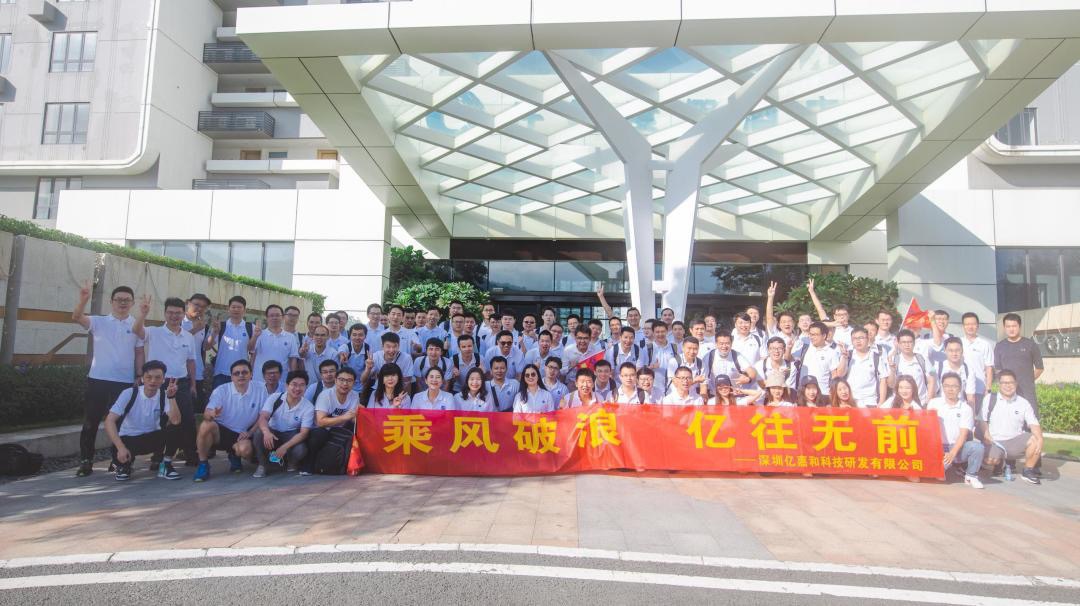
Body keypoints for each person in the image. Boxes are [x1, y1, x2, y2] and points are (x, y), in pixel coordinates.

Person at [73, 283, 144, 477]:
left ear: (132, 303)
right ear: (111, 302)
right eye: (118, 299)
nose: (122, 303)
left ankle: (119, 460)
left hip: (124, 383)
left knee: (121, 424)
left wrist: (139, 375)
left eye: (127, 300)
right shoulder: (99, 322)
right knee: (91, 422)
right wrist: (83, 299)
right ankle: (86, 461)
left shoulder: (136, 325)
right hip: (98, 380)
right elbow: (77, 317)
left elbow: (139, 352)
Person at [132, 296, 198, 470]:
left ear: (183, 314)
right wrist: (143, 314)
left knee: (188, 420)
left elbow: (191, 362)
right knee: (160, 421)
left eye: (178, 313)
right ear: (165, 313)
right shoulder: (154, 332)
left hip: (181, 383)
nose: (174, 316)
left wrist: (193, 384)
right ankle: (158, 456)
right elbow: (137, 330)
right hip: (159, 384)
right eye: (170, 312)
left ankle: (191, 454)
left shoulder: (188, 337)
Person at [103, 361, 182, 481]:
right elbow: (109, 421)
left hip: (154, 437)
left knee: (175, 429)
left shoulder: (165, 395)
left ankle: (165, 465)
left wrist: (172, 397)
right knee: (120, 460)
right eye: (149, 377)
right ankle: (124, 466)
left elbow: (176, 421)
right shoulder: (129, 393)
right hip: (129, 438)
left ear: (163, 380)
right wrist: (120, 447)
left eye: (157, 377)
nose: (153, 381)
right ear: (142, 379)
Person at [193, 359, 261, 482]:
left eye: (244, 372)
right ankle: (203, 464)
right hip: (223, 432)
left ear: (251, 374)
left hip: (244, 434)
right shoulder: (221, 390)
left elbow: (263, 416)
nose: (241, 375)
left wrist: (250, 432)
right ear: (231, 377)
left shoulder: (261, 389)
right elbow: (207, 413)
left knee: (245, 450)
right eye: (236, 373)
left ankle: (234, 455)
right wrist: (211, 414)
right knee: (206, 425)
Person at [980, 370, 1043, 485]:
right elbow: (982, 420)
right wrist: (986, 433)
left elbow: (1034, 424)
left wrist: (1040, 439)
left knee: (1035, 439)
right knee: (991, 460)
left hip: (1015, 441)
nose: (1008, 386)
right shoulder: (989, 399)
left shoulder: (1023, 403)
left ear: (1016, 384)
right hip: (995, 441)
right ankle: (1000, 463)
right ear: (999, 384)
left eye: (1011, 383)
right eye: (1004, 383)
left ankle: (1028, 471)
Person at [927, 372, 985, 489]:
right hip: (937, 447)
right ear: (942, 387)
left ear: (960, 388)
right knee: (937, 476)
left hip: (957, 447)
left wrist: (952, 453)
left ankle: (971, 476)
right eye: (947, 386)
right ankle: (942, 468)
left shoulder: (966, 408)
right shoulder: (934, 403)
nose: (950, 389)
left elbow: (963, 435)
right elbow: (928, 428)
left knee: (977, 447)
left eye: (954, 386)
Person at [252, 370, 314, 478]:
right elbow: (263, 417)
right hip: (273, 433)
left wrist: (284, 447)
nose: (297, 388)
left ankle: (291, 461)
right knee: (259, 433)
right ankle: (262, 465)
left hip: (291, 435)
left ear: (306, 387)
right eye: (294, 384)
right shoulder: (275, 398)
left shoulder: (308, 407)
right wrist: (266, 432)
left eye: (302, 385)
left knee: (301, 450)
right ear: (286, 385)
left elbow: (303, 433)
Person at [305, 367, 360, 475]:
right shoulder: (325, 395)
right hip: (322, 430)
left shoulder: (354, 395)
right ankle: (309, 464)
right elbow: (320, 421)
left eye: (349, 380)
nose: (345, 384)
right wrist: (344, 417)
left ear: (354, 383)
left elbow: (353, 418)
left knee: (359, 430)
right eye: (341, 380)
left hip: (341, 430)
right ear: (335, 380)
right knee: (319, 434)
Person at [994, 313, 1044, 413]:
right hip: (1007, 391)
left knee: (1030, 418)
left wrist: (1028, 380)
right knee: (1009, 418)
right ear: (1004, 327)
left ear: (1019, 326)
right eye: (1008, 326)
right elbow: (998, 369)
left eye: (1014, 326)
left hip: (1027, 391)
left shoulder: (1030, 345)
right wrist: (1006, 384)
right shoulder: (999, 346)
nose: (1011, 329)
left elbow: (1039, 368)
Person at [209, 295, 252, 389]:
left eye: (239, 307)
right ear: (228, 309)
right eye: (233, 307)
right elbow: (207, 346)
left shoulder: (250, 328)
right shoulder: (220, 326)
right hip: (221, 373)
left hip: (242, 375)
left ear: (244, 310)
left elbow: (253, 351)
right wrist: (215, 332)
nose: (236, 309)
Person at [796, 321, 845, 397]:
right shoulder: (806, 347)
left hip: (822, 394)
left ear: (824, 336)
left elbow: (834, 376)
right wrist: (833, 324)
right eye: (811, 334)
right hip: (803, 394)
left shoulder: (832, 353)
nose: (812, 337)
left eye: (815, 335)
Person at [181, 293, 212, 415]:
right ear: (188, 303)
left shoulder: (204, 326)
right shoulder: (178, 321)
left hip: (198, 373)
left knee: (195, 409)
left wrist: (214, 332)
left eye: (203, 307)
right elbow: (175, 341)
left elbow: (204, 348)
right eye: (197, 305)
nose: (199, 309)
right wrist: (195, 330)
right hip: (180, 372)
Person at [249, 304, 300, 376]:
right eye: (271, 315)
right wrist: (255, 336)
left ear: (282, 317)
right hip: (260, 378)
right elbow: (251, 351)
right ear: (267, 318)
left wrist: (292, 377)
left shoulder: (291, 337)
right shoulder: (259, 334)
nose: (274, 318)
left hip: (282, 379)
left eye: (277, 315)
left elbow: (293, 360)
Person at [844, 327, 888, 407]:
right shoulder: (848, 355)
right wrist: (844, 358)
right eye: (855, 338)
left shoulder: (876, 357)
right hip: (850, 400)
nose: (858, 341)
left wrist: (881, 401)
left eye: (861, 338)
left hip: (870, 401)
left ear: (868, 339)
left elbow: (883, 380)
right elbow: (839, 374)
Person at [960, 312, 995, 412]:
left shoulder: (985, 344)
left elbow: (989, 368)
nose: (970, 327)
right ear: (963, 326)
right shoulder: (958, 342)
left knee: (977, 416)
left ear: (978, 326)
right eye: (967, 324)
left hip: (979, 388)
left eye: (973, 324)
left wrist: (988, 389)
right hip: (960, 388)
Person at [703, 333, 754, 397]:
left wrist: (748, 379)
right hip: (715, 396)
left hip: (735, 395)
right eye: (721, 343)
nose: (724, 346)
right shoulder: (709, 356)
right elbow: (704, 377)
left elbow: (751, 371)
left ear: (731, 344)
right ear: (716, 344)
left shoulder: (737, 355)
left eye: (727, 343)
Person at [929, 337, 976, 406]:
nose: (954, 353)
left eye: (957, 350)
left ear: (962, 351)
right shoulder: (936, 367)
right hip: (940, 407)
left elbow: (971, 397)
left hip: (960, 408)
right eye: (950, 350)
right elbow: (931, 389)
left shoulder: (969, 370)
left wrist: (971, 412)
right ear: (945, 351)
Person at [889, 329, 932, 403]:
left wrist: (927, 401)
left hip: (920, 402)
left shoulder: (922, 359)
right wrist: (892, 371)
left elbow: (931, 381)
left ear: (914, 343)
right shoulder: (894, 359)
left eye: (909, 342)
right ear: (898, 344)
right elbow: (891, 385)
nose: (907, 345)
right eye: (903, 342)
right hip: (900, 403)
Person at [807, 278, 852, 349]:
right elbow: (820, 309)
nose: (842, 317)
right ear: (834, 316)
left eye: (844, 314)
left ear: (848, 316)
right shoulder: (829, 326)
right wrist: (812, 292)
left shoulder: (853, 331)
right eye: (839, 315)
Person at [339, 323, 372, 392]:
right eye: (354, 335)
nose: (357, 338)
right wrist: (342, 356)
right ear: (350, 336)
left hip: (362, 385)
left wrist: (368, 368)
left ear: (365, 336)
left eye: (360, 335)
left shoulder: (368, 349)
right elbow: (341, 351)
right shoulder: (346, 347)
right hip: (345, 385)